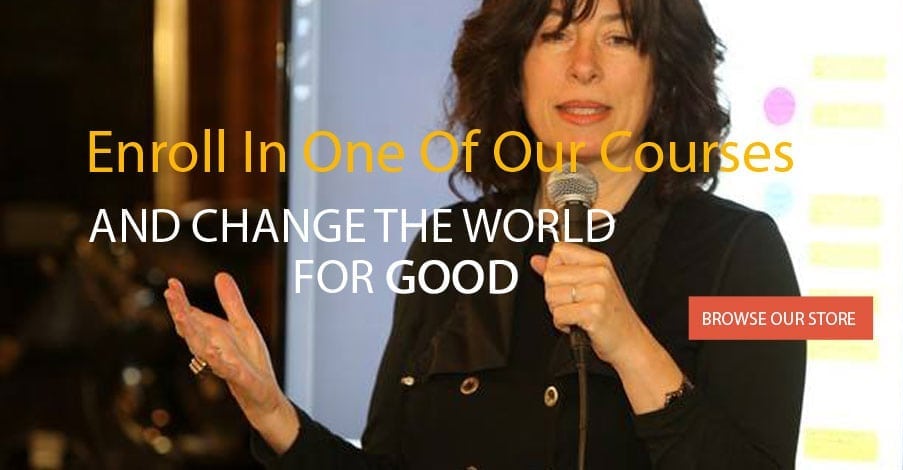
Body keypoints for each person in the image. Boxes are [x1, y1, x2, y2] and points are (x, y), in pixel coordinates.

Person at [163, 0, 806, 468]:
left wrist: (632, 346)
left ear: (663, 70)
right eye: (554, 34)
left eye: (618, 37)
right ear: (515, 69)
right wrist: (274, 413)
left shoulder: (742, 253)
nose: (583, 66)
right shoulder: (450, 243)